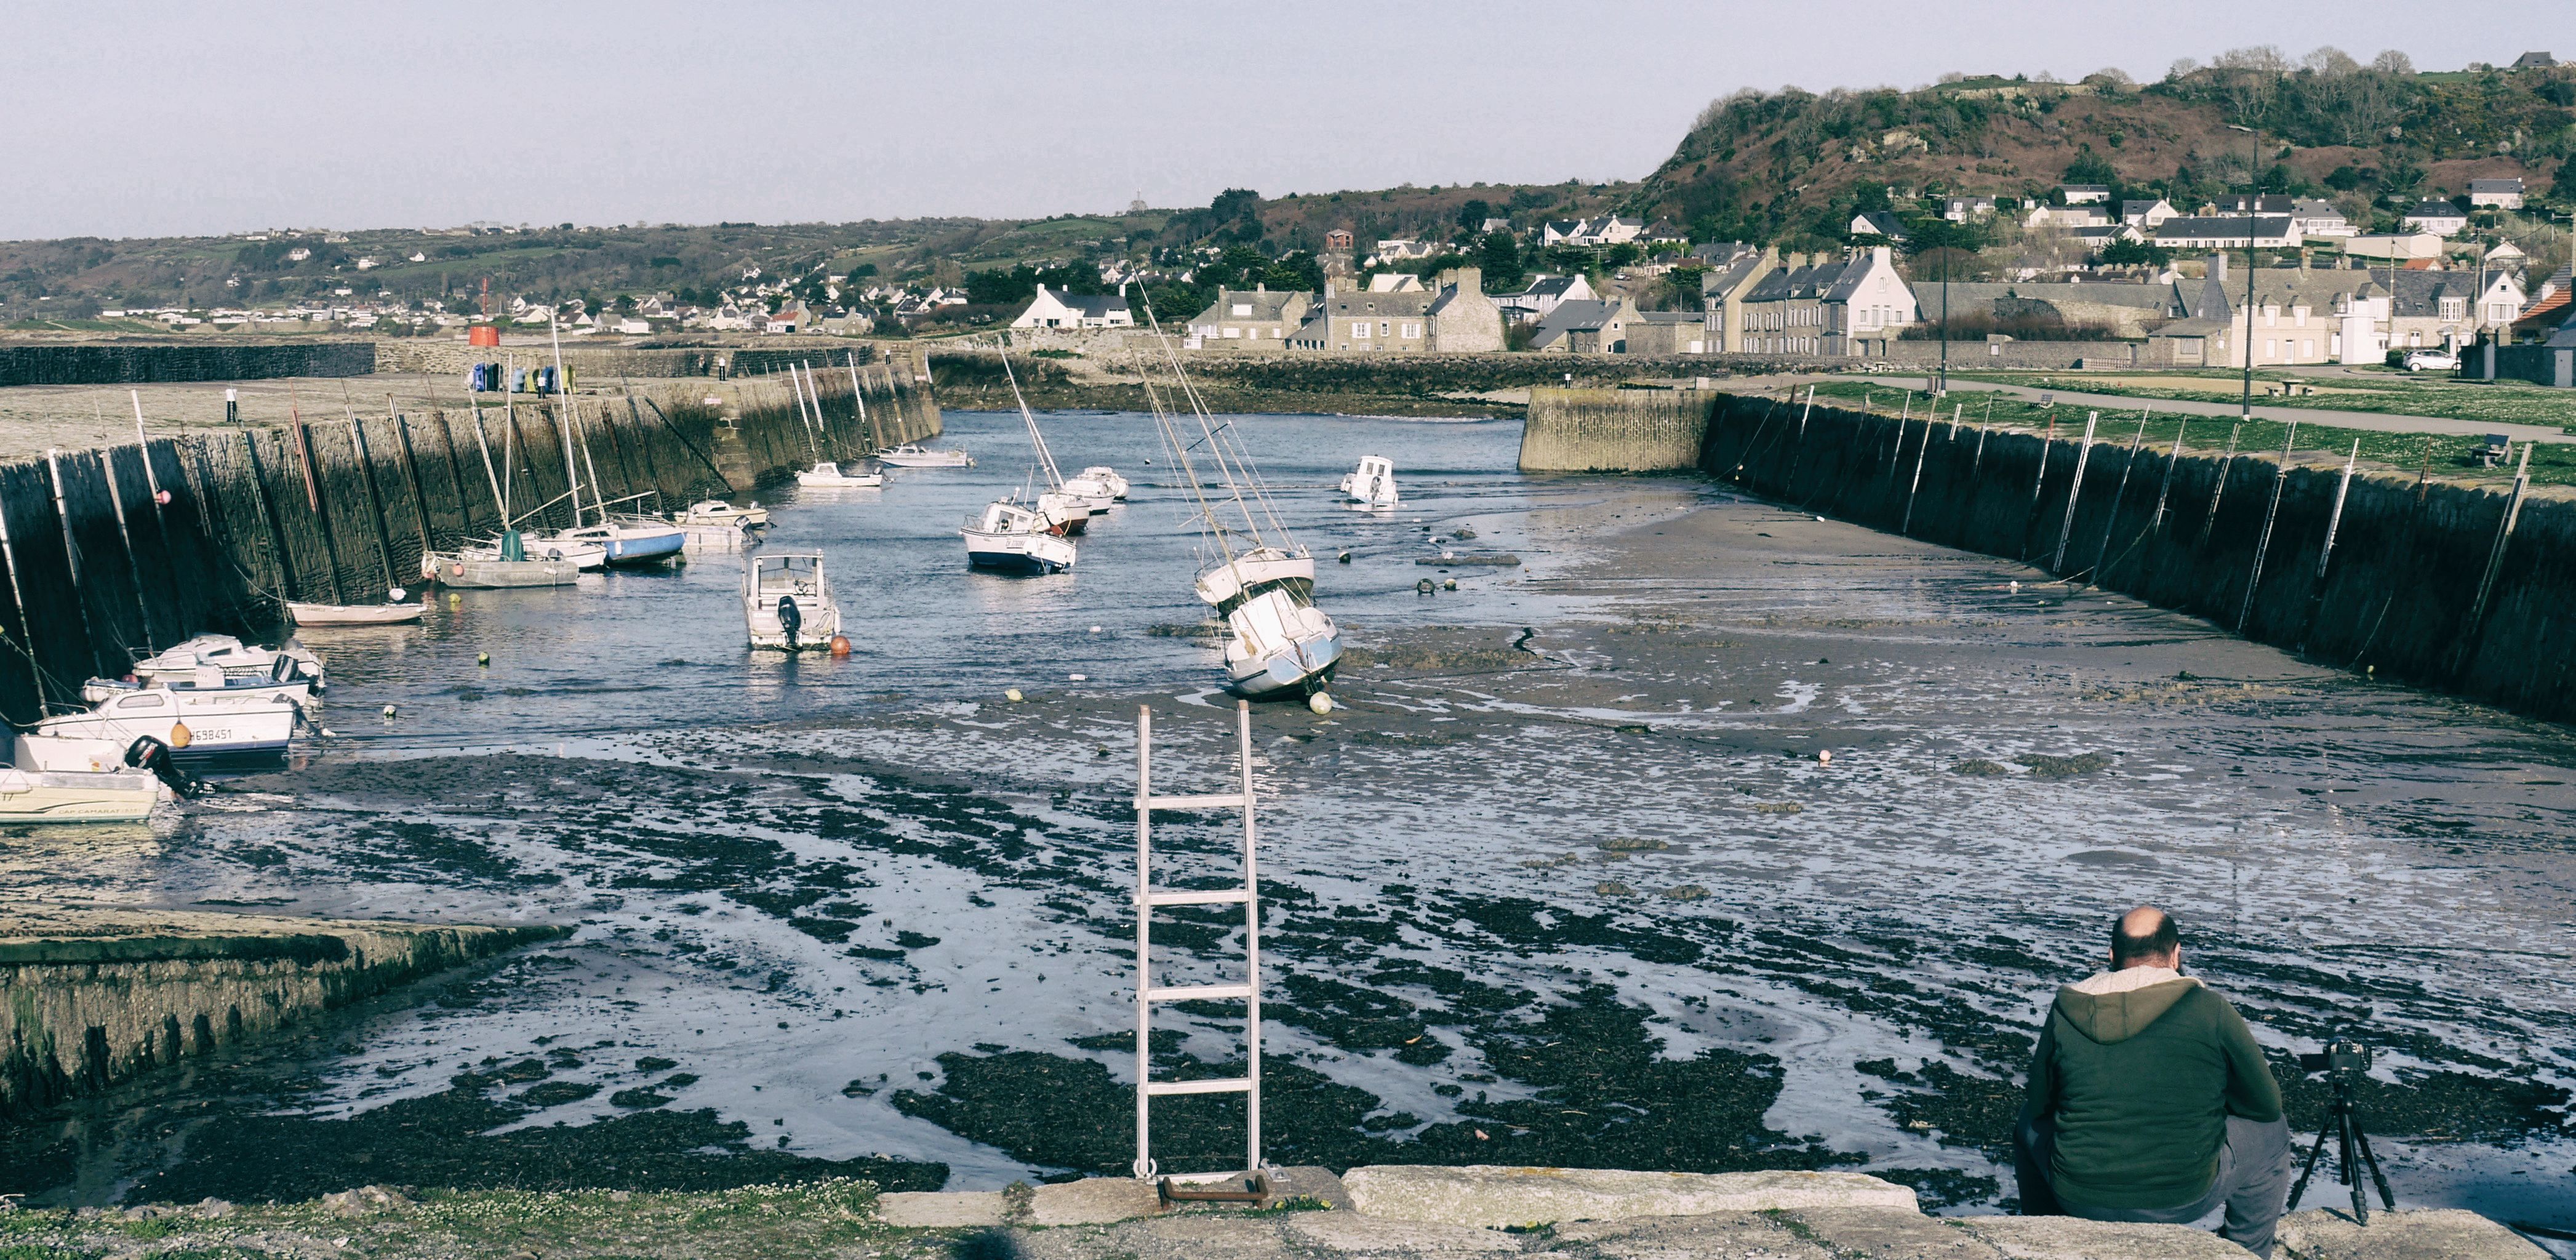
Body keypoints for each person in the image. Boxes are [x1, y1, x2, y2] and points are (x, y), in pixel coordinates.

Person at [2017, 906, 2290, 1257]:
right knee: (2274, 1132)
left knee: (2027, 1121)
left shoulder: (2067, 1008)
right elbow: (2267, 1106)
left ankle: (2044, 1241)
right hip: (2183, 1198)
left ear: (2112, 955)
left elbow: (2040, 1104)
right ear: (2176, 955)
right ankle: (2247, 1252)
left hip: (2079, 1195)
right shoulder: (2210, 1008)